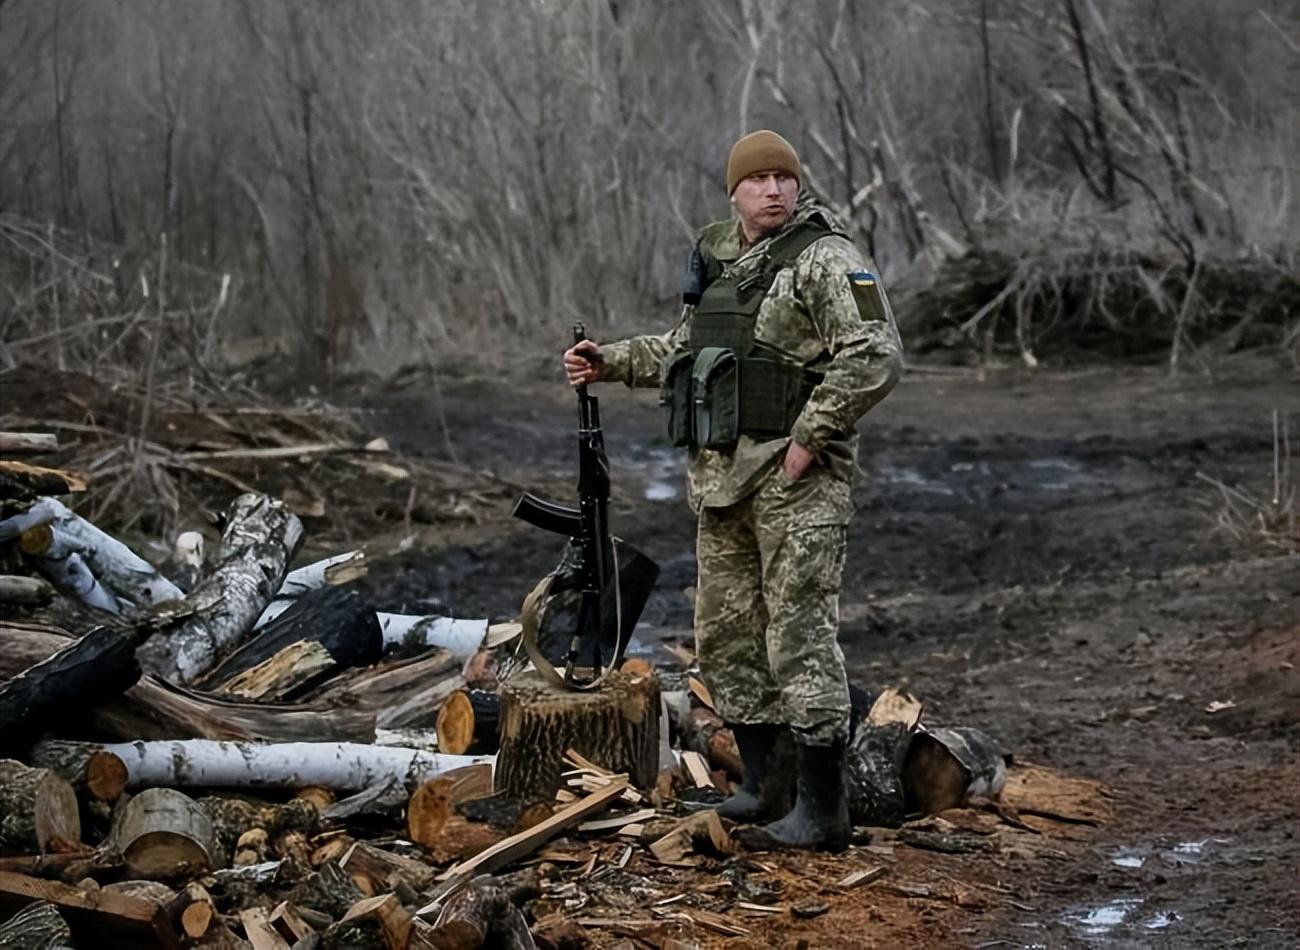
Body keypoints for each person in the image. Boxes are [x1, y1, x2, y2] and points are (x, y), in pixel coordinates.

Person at [562, 129, 903, 851]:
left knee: (799, 640)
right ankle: (765, 786)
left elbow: (876, 354)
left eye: (784, 178)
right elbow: (683, 354)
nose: (773, 190)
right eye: (758, 180)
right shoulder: (721, 263)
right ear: (735, 192)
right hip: (722, 486)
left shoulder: (825, 259)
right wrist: (609, 362)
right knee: (726, 638)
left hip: (796, 486)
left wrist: (809, 439)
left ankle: (824, 812)